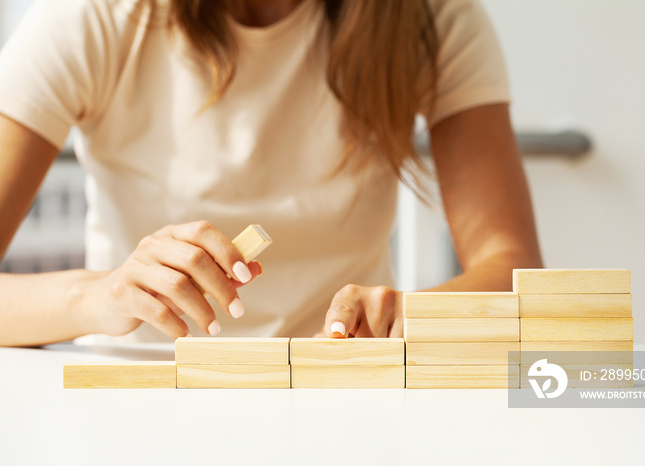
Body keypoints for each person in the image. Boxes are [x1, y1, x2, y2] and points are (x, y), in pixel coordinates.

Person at [0, 0, 542, 347]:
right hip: (143, 401)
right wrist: (101, 296)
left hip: (340, 398)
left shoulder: (431, 19)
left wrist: (415, 315)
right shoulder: (90, 18)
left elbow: (515, 269)